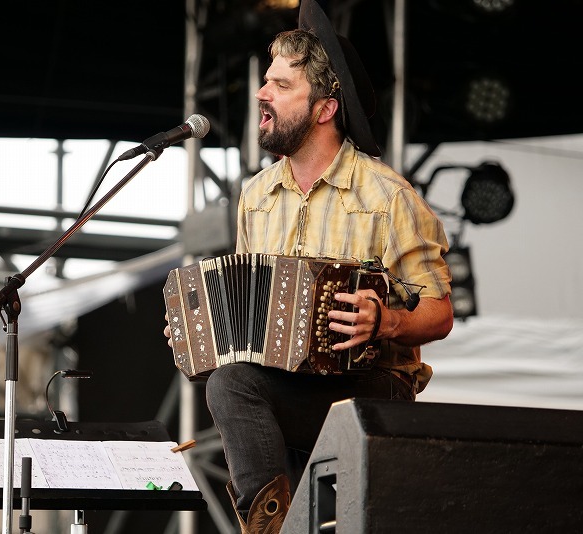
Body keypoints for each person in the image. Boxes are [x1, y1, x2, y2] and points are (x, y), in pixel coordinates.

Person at [165, 1, 453, 531]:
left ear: (324, 109)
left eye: (280, 85)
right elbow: (248, 310)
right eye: (265, 82)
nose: (261, 93)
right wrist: (201, 327)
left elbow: (439, 313)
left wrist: (385, 321)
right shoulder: (256, 196)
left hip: (375, 385)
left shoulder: (389, 196)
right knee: (229, 379)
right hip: (292, 383)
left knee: (233, 387)